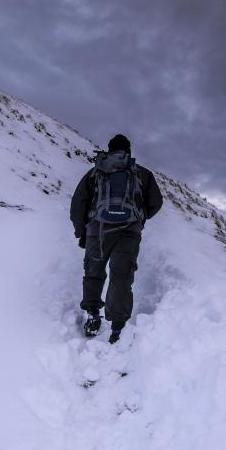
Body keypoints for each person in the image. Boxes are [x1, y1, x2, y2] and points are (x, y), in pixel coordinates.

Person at [69, 134, 163, 343]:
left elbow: (78, 204)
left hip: (97, 230)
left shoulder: (95, 172)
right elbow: (156, 202)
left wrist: (81, 232)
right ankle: (117, 328)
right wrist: (139, 218)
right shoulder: (142, 174)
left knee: (94, 272)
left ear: (109, 150)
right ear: (128, 151)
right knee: (121, 276)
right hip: (129, 232)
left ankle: (93, 315)